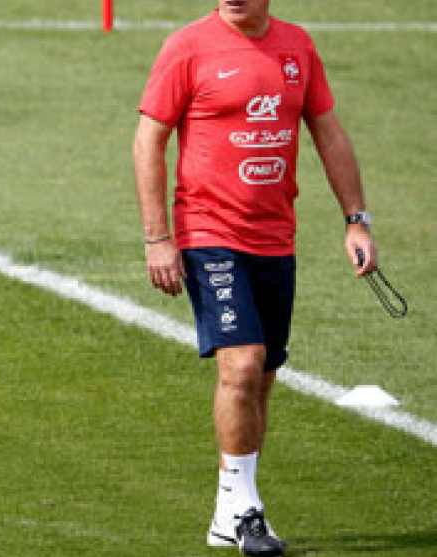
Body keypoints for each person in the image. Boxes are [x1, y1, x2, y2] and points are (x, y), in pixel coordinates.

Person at [132, 1, 377, 555]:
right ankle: (245, 511)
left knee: (262, 375)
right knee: (242, 365)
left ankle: (228, 511)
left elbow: (328, 133)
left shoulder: (297, 47)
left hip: (274, 237)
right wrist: (157, 237)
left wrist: (355, 220)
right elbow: (149, 138)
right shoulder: (187, 47)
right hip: (207, 232)